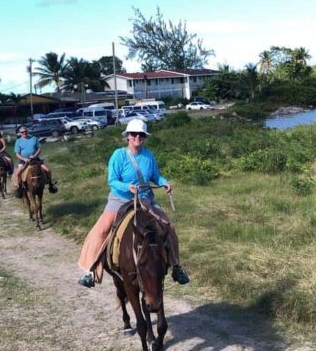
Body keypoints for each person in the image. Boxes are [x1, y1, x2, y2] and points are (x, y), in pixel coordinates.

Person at [77, 119, 190, 288]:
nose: (138, 137)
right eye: (134, 134)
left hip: (144, 199)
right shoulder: (119, 155)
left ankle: (176, 266)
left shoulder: (148, 155)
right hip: (120, 199)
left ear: (145, 137)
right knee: (102, 229)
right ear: (128, 136)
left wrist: (164, 182)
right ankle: (90, 271)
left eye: (141, 134)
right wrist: (127, 187)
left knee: (168, 226)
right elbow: (112, 180)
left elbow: (155, 176)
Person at [12, 126, 57, 196]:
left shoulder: (34, 138)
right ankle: (20, 188)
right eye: (22, 132)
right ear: (20, 133)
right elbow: (17, 154)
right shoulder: (18, 141)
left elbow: (39, 149)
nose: (24, 133)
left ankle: (51, 185)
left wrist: (34, 156)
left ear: (27, 131)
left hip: (35, 159)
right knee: (18, 173)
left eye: (25, 131)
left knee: (47, 170)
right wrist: (24, 159)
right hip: (24, 161)